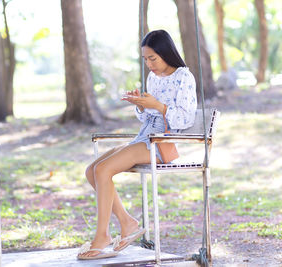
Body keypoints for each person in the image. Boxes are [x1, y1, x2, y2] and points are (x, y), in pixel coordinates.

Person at [77, 29, 197, 260]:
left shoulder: (184, 77)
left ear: (166, 53)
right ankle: (127, 223)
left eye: (153, 58)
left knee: (103, 169)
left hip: (162, 142)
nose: (149, 64)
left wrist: (159, 106)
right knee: (92, 170)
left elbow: (185, 118)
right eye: (145, 59)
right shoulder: (153, 78)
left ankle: (102, 235)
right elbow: (145, 118)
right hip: (145, 136)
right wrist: (141, 105)